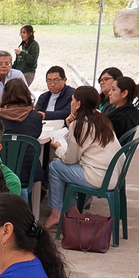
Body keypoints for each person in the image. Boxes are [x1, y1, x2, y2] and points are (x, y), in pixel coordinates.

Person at [42, 87, 122, 231]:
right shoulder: (101, 118)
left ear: (78, 104)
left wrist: (57, 147)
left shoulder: (80, 124)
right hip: (111, 174)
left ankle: (56, 214)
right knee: (62, 168)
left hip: (97, 177)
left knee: (55, 166)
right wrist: (70, 126)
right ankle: (72, 211)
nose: (70, 103)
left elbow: (70, 159)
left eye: (72, 100)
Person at [0, 79, 45, 188]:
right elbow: (36, 136)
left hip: (0, 173)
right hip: (29, 172)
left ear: (5, 94)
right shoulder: (36, 117)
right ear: (27, 93)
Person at [107, 75, 139, 143]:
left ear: (124, 93)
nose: (109, 93)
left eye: (113, 89)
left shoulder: (120, 117)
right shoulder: (132, 113)